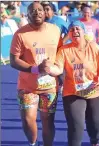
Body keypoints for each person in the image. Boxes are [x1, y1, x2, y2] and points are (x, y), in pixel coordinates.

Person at [43, 20, 99, 146]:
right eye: (72, 30)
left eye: (78, 29)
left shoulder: (94, 47)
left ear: (84, 32)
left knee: (96, 126)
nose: (75, 32)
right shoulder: (64, 50)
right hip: (73, 92)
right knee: (76, 127)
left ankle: (95, 142)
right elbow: (58, 68)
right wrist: (49, 69)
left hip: (96, 91)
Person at [9, 2, 62, 146]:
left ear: (45, 13)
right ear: (28, 15)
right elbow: (14, 61)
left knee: (47, 120)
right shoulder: (20, 34)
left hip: (50, 86)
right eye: (32, 11)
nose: (37, 12)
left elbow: (61, 54)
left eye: (40, 10)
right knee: (27, 119)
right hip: (27, 86)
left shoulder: (55, 30)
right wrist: (35, 69)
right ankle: (33, 143)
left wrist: (60, 73)